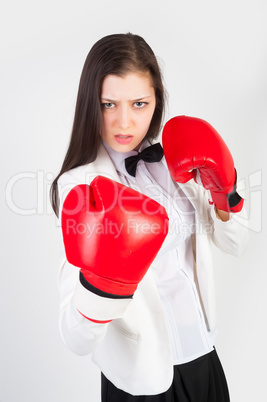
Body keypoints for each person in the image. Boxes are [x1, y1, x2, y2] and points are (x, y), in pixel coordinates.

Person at [50, 33, 249, 401]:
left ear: (157, 102)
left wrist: (226, 191)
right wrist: (104, 284)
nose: (124, 122)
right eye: (108, 104)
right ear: (90, 105)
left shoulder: (174, 160)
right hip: (143, 379)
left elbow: (236, 243)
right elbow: (75, 338)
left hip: (203, 356)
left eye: (139, 103)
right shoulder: (80, 186)